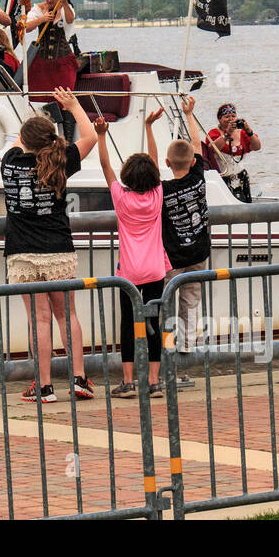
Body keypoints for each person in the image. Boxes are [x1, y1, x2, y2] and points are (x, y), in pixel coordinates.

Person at [1, 88, 99, 403]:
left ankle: (44, 386)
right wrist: (72, 106)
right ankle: (80, 379)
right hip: (58, 247)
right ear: (51, 140)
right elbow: (91, 137)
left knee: (39, 319)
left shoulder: (10, 161)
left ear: (23, 140)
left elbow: (21, 141)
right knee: (66, 314)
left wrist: (32, 129)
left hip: (23, 252)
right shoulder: (61, 160)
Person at [95, 117, 169, 399]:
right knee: (153, 324)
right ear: (153, 178)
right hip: (155, 270)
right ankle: (153, 381)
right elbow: (154, 158)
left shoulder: (121, 198)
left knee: (128, 323)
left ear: (127, 176)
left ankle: (127, 381)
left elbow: (105, 166)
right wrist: (149, 128)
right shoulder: (157, 195)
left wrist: (102, 135)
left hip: (128, 271)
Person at [146, 96, 212, 389]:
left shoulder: (162, 190)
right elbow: (196, 147)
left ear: (167, 163)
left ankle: (168, 358)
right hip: (199, 253)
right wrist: (189, 115)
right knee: (191, 305)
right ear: (193, 163)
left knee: (167, 307)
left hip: (172, 259)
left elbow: (148, 165)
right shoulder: (199, 177)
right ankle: (184, 359)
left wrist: (149, 128)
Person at [26, 0, 79, 135]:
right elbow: (26, 28)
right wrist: (42, 19)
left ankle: (68, 140)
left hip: (63, 63)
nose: (49, 0)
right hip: (41, 64)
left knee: (65, 100)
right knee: (41, 100)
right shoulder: (38, 9)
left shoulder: (65, 9)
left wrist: (63, 4)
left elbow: (70, 19)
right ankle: (44, 137)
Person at [205, 102, 261, 203]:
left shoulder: (242, 132)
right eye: (227, 116)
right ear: (219, 119)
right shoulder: (214, 133)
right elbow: (212, 149)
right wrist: (227, 134)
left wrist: (249, 131)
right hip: (222, 178)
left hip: (241, 177)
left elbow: (257, 147)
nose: (230, 119)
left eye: (233, 116)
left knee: (245, 206)